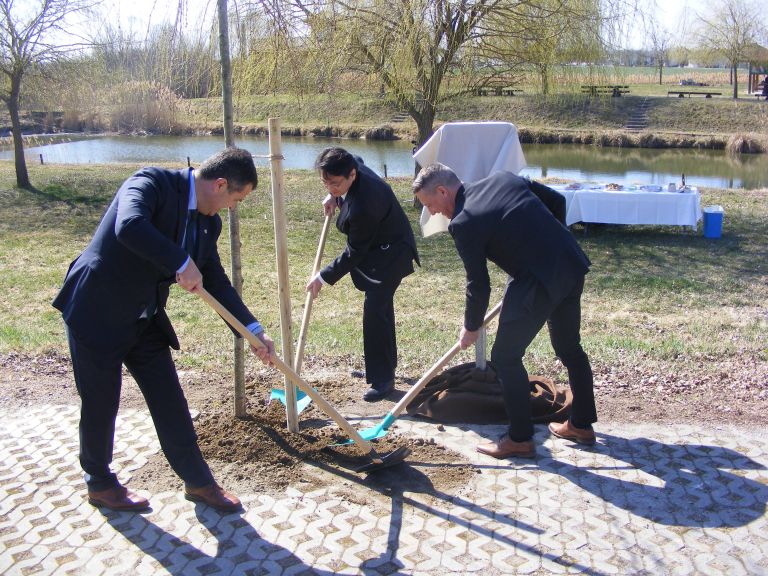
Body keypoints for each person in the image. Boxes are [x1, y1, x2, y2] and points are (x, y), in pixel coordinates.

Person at [52, 147, 275, 513]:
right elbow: (129, 226)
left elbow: (215, 280)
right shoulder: (150, 182)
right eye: (236, 198)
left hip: (145, 318)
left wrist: (251, 329)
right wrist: (180, 260)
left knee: (170, 399)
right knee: (101, 401)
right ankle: (100, 482)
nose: (233, 207)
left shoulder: (208, 223)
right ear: (220, 185)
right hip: (97, 310)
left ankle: (199, 482)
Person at [412, 163, 597, 459]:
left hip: (537, 280)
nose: (433, 212)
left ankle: (519, 439)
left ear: (444, 191)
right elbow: (557, 201)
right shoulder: (503, 178)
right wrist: (552, 243)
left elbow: (478, 284)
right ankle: (582, 425)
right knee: (569, 348)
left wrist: (471, 327)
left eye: (430, 204)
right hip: (571, 264)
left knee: (505, 357)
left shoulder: (463, 222)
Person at [306, 147, 419, 401]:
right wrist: (333, 195)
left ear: (352, 175)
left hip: (391, 253)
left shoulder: (365, 205)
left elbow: (354, 252)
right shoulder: (351, 164)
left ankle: (383, 380)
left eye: (335, 183)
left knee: (376, 311)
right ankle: (383, 369)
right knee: (380, 309)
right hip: (380, 247)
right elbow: (353, 157)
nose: (330, 186)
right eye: (325, 181)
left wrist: (323, 277)